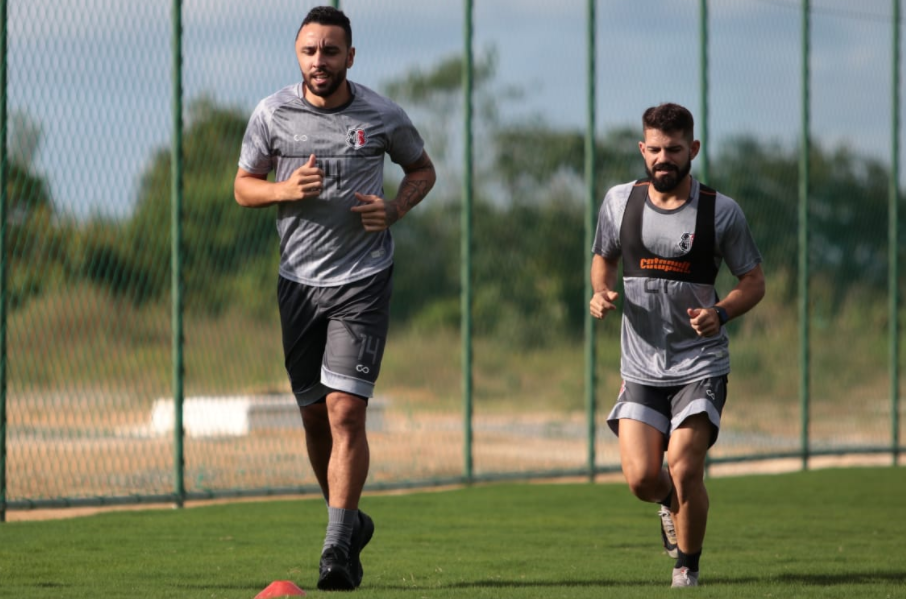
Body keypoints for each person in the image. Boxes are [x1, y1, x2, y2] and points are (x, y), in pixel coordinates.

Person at [234, 6, 435, 592]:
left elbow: (421, 168)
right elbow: (243, 187)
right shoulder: (272, 114)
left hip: (363, 279)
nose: (319, 61)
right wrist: (283, 188)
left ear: (351, 56)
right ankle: (350, 523)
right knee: (315, 419)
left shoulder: (380, 114)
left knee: (347, 410)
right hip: (297, 283)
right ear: (297, 55)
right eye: (309, 51)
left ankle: (334, 552)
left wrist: (395, 208)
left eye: (330, 51)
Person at [589, 103, 764, 588]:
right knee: (644, 478)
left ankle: (686, 567)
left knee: (684, 465)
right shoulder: (619, 202)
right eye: (656, 149)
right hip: (641, 367)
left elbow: (753, 280)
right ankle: (668, 505)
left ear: (693, 150)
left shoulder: (720, 211)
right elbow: (602, 260)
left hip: (699, 365)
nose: (664, 158)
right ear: (642, 150)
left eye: (674, 149)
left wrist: (722, 311)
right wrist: (601, 293)